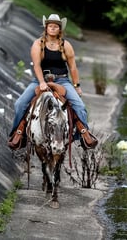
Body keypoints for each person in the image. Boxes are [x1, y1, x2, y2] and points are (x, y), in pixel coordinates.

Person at [7, 14, 98, 150]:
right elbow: (36, 65)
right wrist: (42, 82)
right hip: (40, 80)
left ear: (59, 29)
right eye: (50, 26)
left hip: (62, 80)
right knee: (20, 104)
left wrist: (77, 86)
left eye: (56, 26)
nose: (53, 28)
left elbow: (72, 66)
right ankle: (18, 134)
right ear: (46, 27)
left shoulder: (65, 45)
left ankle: (84, 136)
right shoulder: (38, 44)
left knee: (79, 106)